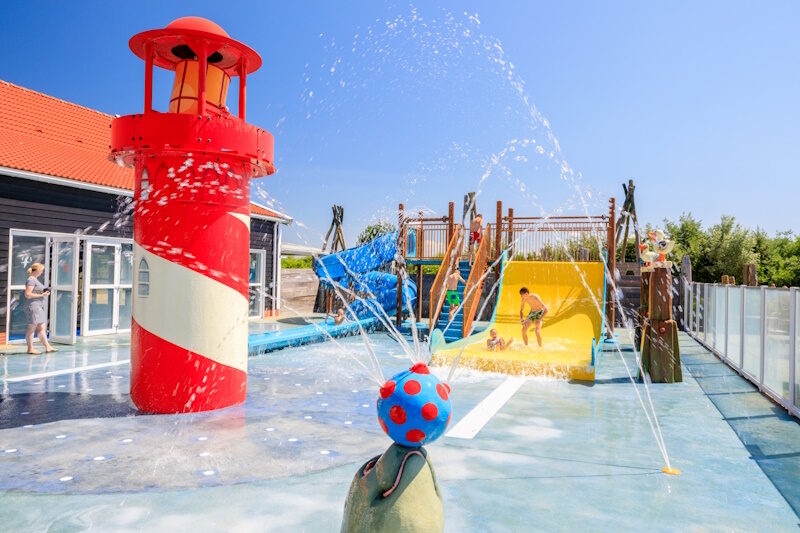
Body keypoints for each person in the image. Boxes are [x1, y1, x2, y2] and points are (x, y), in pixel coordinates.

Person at [23, 263, 56, 355]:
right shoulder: (31, 280)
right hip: (33, 306)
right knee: (31, 328)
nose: (42, 272)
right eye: (41, 270)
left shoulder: (34, 279)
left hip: (38, 306)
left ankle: (47, 347)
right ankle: (30, 349)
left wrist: (42, 292)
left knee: (41, 327)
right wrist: (42, 294)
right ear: (37, 270)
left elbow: (34, 292)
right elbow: (27, 294)